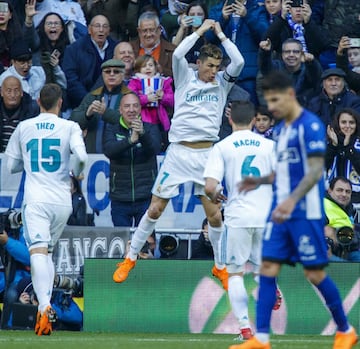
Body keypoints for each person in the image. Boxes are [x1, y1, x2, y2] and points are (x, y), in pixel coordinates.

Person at [112, 19, 244, 291]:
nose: (214, 71)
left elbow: (240, 61)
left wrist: (220, 33)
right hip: (179, 153)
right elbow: (180, 53)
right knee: (156, 208)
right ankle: (130, 257)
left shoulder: (221, 83)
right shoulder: (184, 77)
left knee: (215, 216)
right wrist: (200, 31)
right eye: (210, 66)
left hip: (207, 154)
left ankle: (220, 267)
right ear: (200, 64)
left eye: (217, 67)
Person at [231, 70, 358, 349]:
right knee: (266, 268)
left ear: (289, 95)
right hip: (280, 211)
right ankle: (261, 339)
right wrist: (260, 180)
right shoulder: (283, 129)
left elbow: (314, 171)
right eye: (268, 101)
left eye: (275, 100)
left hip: (304, 213)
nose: (272, 107)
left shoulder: (310, 126)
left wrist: (290, 201)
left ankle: (346, 330)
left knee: (314, 273)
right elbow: (284, 172)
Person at [5, 83, 88, 336]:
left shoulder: (24, 127)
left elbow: (11, 167)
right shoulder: (70, 126)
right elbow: (82, 157)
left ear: (39, 101)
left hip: (37, 200)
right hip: (62, 201)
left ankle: (44, 305)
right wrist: (77, 173)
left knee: (37, 253)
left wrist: (29, 163)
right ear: (60, 103)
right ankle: (45, 314)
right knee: (47, 253)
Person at [204, 100, 276, 340]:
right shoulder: (269, 146)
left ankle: (245, 328)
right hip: (265, 218)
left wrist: (216, 194)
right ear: (255, 120)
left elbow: (210, 186)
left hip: (238, 218)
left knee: (235, 273)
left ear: (230, 119)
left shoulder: (222, 146)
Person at [103, 93, 162, 227]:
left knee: (147, 242)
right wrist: (130, 141)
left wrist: (142, 135)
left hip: (146, 197)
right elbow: (109, 151)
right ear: (120, 110)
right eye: (127, 106)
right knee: (123, 242)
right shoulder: (112, 129)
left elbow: (154, 150)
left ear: (140, 109)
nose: (131, 110)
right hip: (120, 198)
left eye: (135, 106)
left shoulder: (150, 128)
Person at [207, 0, 269, 104]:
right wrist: (222, 19)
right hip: (222, 75)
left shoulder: (256, 9)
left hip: (247, 75)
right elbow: (209, 37)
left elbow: (265, 36)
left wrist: (247, 15)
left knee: (247, 114)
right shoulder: (217, 9)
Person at [70, 59, 131, 153]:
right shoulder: (92, 95)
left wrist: (105, 112)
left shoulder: (129, 96)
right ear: (102, 75)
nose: (111, 74)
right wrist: (87, 115)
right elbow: (73, 121)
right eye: (107, 72)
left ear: (123, 75)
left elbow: (131, 121)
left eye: (116, 71)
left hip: (120, 156)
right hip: (92, 154)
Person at [62, 14, 117, 109]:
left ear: (109, 31)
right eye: (97, 26)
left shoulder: (116, 47)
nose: (101, 30)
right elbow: (71, 79)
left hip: (111, 102)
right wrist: (88, 100)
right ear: (89, 30)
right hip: (81, 102)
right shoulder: (74, 49)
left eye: (105, 26)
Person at [258, 38, 322, 106]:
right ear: (282, 54)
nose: (291, 55)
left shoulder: (308, 69)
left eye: (296, 52)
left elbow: (315, 77)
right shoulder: (276, 67)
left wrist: (311, 63)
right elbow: (265, 67)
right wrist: (265, 52)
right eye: (287, 52)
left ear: (302, 54)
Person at [128, 54, 174, 145]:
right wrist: (146, 99)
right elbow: (130, 99)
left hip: (160, 121)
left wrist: (163, 96)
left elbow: (172, 101)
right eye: (144, 66)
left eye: (150, 65)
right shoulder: (134, 82)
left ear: (155, 68)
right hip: (142, 120)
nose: (148, 68)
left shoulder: (163, 82)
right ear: (139, 69)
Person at [265, 0, 330, 59]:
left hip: (309, 65)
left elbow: (323, 46)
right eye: (294, 6)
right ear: (289, 8)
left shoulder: (315, 22)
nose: (298, 9)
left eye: (301, 6)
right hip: (286, 66)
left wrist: (309, 23)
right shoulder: (281, 25)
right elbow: (266, 41)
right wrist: (282, 18)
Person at [325, 108, 360, 205]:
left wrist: (348, 147)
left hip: (356, 198)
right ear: (338, 124)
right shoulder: (329, 143)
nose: (347, 126)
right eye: (344, 122)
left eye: (351, 122)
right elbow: (322, 167)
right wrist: (333, 145)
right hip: (331, 197)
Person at [324, 176, 360, 262]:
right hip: (326, 254)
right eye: (339, 190)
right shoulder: (322, 206)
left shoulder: (348, 210)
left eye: (348, 192)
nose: (344, 194)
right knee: (348, 270)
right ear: (330, 191)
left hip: (349, 250)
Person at [130, 11, 176, 77]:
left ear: (159, 30)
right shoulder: (129, 49)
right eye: (145, 31)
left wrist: (161, 70)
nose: (148, 34)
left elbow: (179, 77)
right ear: (139, 31)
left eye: (152, 30)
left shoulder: (172, 50)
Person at [0, 76, 39, 152]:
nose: (12, 95)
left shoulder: (32, 109)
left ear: (21, 93)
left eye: (16, 91)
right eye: (8, 91)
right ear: (1, 92)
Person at [172, 1, 208, 65]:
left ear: (205, 16)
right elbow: (173, 50)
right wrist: (182, 28)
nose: (196, 17)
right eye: (192, 15)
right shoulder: (182, 32)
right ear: (187, 16)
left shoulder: (209, 34)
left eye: (199, 14)